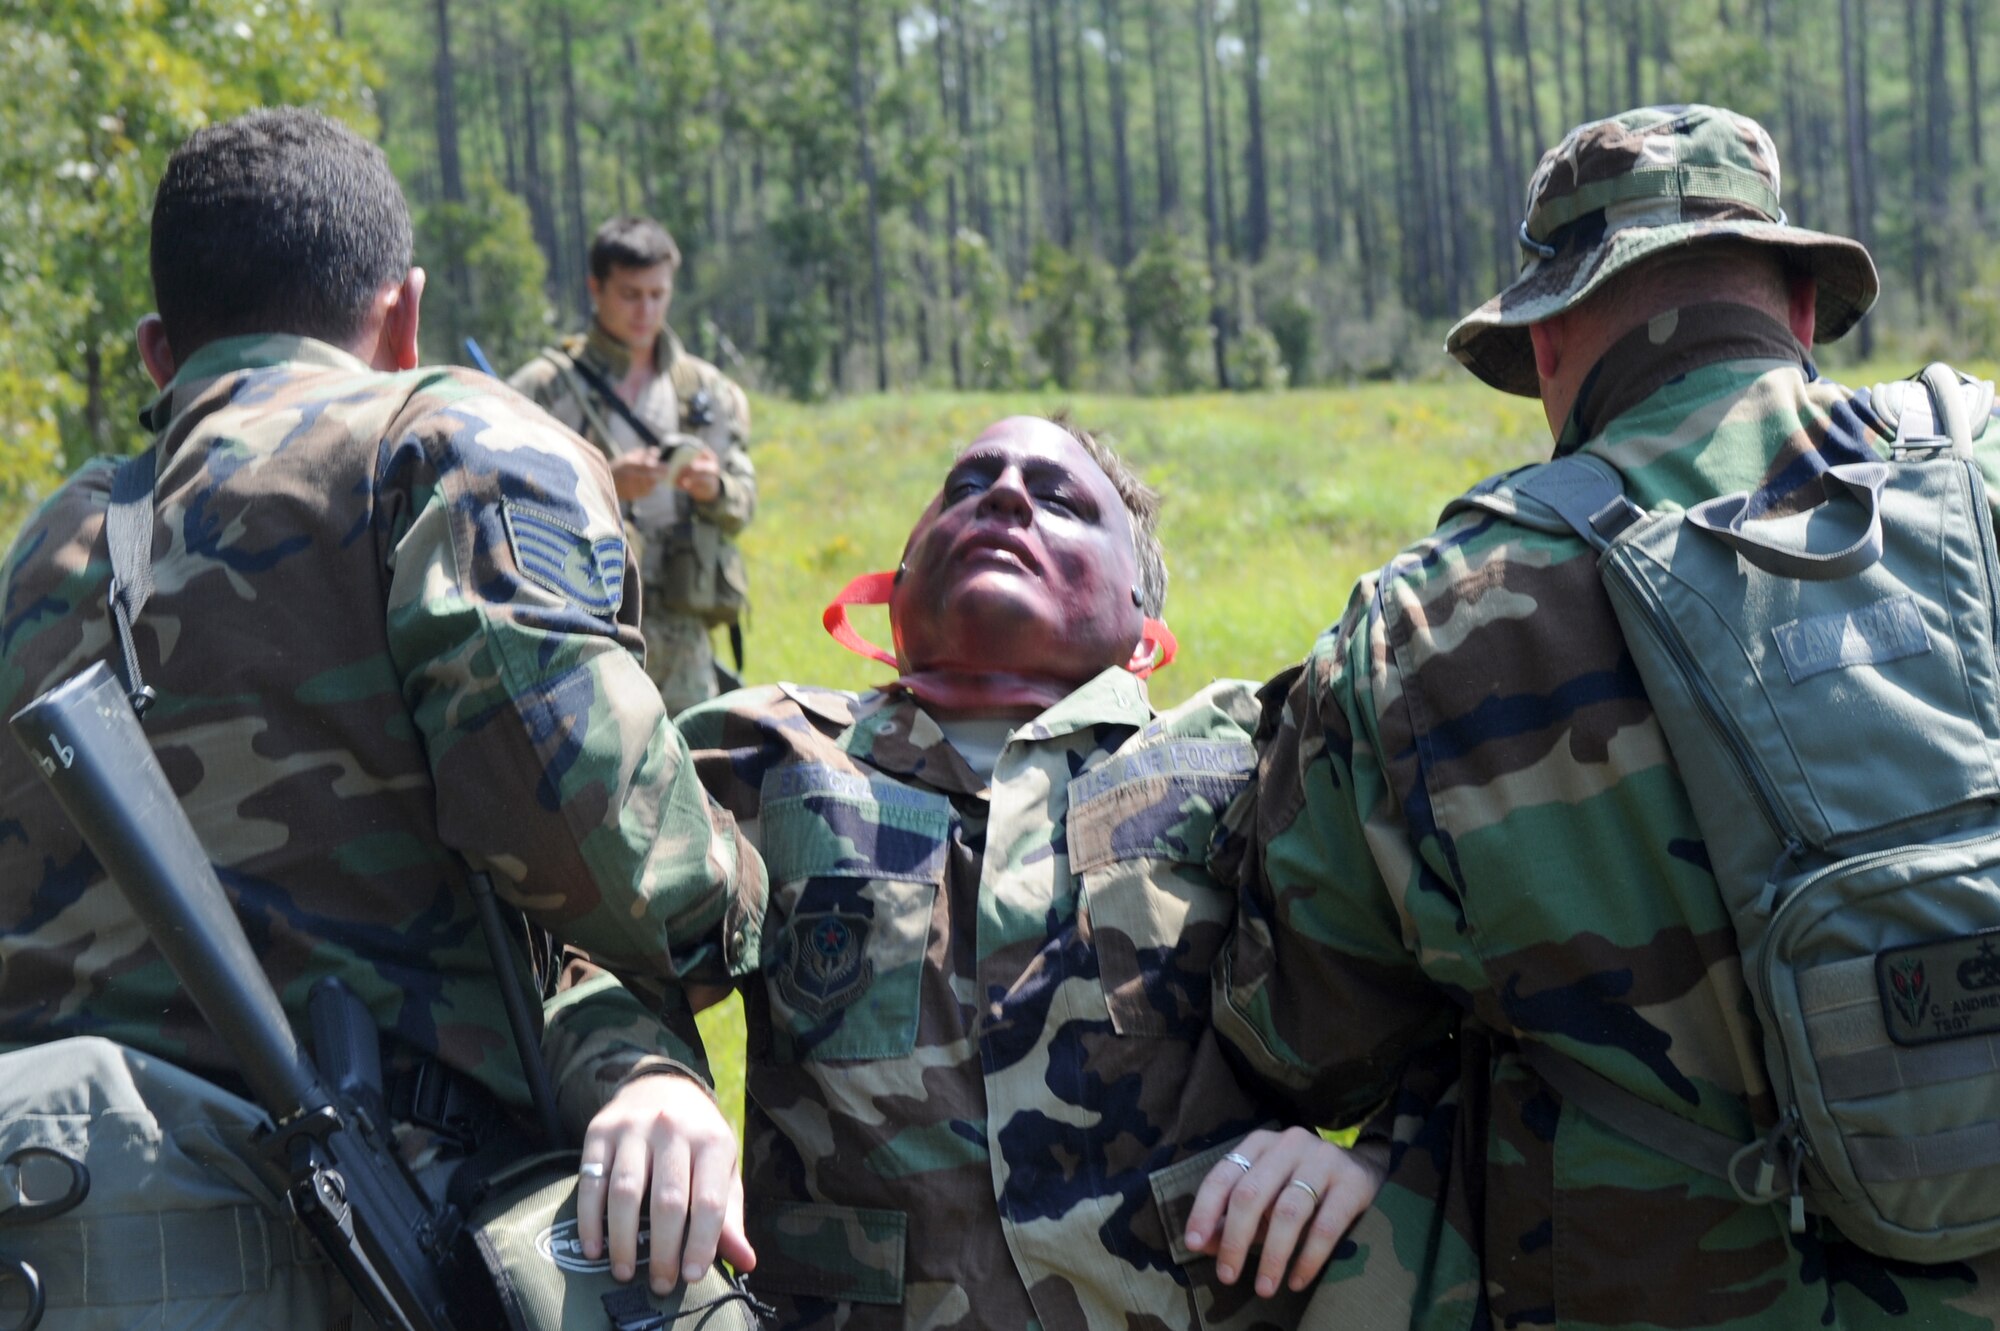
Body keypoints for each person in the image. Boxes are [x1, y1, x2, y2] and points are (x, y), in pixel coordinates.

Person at [1209, 102, 2000, 1327]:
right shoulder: (1980, 465)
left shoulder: (1430, 624)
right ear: (1799, 308)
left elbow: (1298, 1041)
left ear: (1544, 343)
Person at [0, 108, 762, 1323]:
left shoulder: (44, 543)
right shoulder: (443, 440)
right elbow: (608, 850)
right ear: (403, 315)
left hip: (54, 1230)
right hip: (364, 1228)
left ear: (156, 353)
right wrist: (749, 887)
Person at [551, 415, 1389, 1329]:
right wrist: (649, 1077)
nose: (1007, 496)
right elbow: (592, 955)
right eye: (967, 487)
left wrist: (1377, 1154)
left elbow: (1440, 989)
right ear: (904, 571)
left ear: (1141, 607)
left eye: (1061, 500)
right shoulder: (772, 755)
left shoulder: (1242, 760)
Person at [509, 216, 756, 716]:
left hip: (685, 633)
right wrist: (604, 484)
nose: (646, 310)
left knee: (694, 756)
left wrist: (714, 490)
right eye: (630, 294)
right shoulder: (543, 389)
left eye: (657, 294)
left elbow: (743, 504)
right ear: (595, 288)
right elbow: (503, 505)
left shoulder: (707, 390)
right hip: (585, 625)